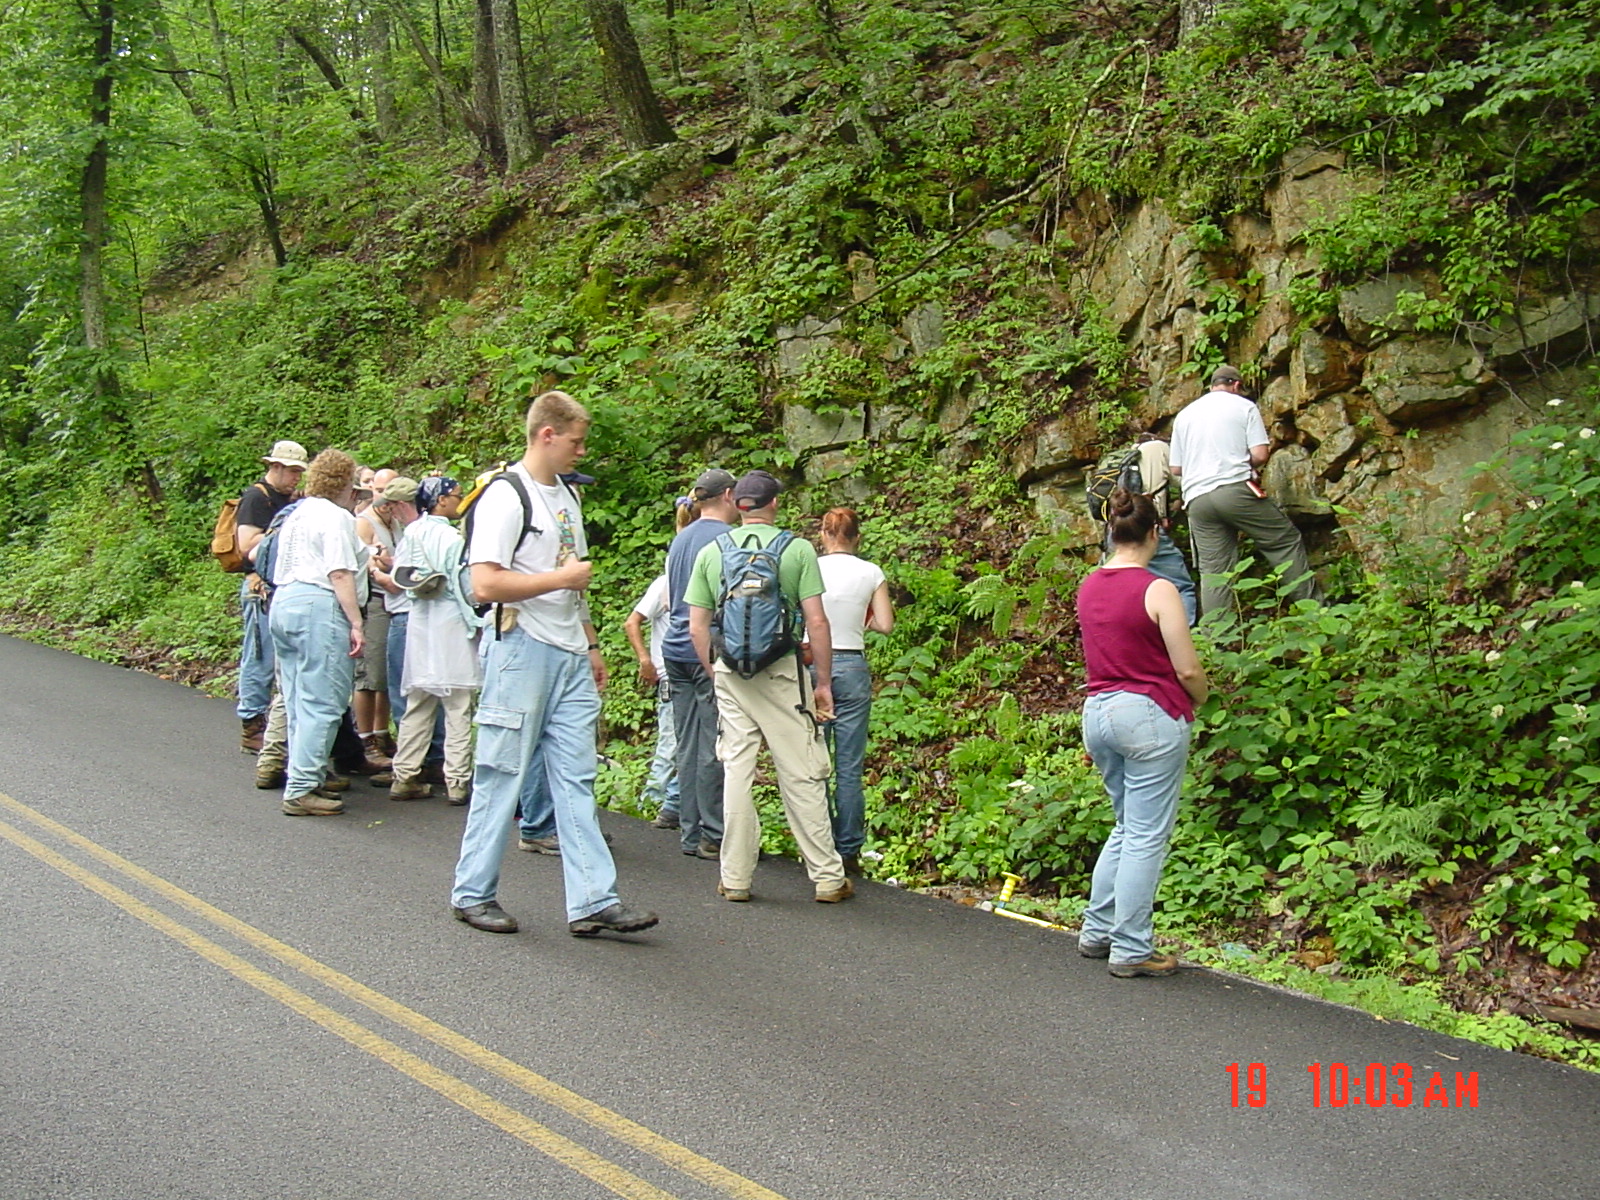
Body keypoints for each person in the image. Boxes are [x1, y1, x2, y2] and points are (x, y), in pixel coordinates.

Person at [448, 391, 658, 938]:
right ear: (546, 434)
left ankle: (593, 899)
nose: (581, 451)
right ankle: (473, 893)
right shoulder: (505, 495)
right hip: (520, 651)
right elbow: (486, 582)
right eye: (576, 441)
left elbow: (573, 578)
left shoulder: (566, 496)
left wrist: (590, 643)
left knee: (576, 777)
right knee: (501, 772)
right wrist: (559, 581)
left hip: (567, 652)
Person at [687, 470, 851, 904]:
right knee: (800, 771)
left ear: (737, 504)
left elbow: (697, 626)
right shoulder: (795, 550)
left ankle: (736, 878)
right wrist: (823, 684)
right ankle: (827, 878)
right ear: (774, 504)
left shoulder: (712, 551)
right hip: (781, 673)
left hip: (731, 674)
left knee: (738, 772)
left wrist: (715, 671)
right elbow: (816, 621)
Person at [1075, 488, 1209, 977]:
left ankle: (1097, 929)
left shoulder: (1089, 585)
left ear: (1111, 531)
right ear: (1156, 532)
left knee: (1127, 825)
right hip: (1148, 714)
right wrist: (1200, 699)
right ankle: (1131, 946)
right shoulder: (1159, 589)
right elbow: (1188, 668)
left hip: (1098, 711)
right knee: (1147, 834)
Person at [1169, 364, 1320, 619]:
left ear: (1212, 386)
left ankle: (1217, 644)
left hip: (1196, 501)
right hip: (1234, 489)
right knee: (1282, 541)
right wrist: (1234, 459)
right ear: (1237, 386)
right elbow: (1260, 454)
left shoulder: (1184, 416)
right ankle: (1315, 611)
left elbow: (1176, 467)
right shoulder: (1243, 406)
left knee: (1214, 572)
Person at [266, 448, 366, 816]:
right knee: (323, 700)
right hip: (317, 607)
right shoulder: (335, 516)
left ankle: (304, 772)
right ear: (345, 483)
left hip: (284, 603)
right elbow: (339, 572)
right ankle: (302, 786)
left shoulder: (296, 513)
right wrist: (355, 621)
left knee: (295, 696)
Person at [662, 469, 740, 860]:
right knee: (713, 741)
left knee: (687, 741)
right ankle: (713, 832)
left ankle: (690, 830)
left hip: (673, 648)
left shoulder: (681, 539)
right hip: (705, 645)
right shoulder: (725, 540)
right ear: (728, 495)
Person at [389, 476, 480, 806]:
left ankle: (405, 774)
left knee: (419, 701)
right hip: (450, 624)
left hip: (420, 621)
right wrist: (476, 620)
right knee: (458, 705)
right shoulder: (452, 539)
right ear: (440, 500)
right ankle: (457, 781)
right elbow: (464, 586)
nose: (459, 501)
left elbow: (401, 576)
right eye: (455, 496)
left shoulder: (412, 532)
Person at [812, 508, 894, 876]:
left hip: (811, 663)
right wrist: (861, 616)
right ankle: (848, 850)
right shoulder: (870, 572)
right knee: (849, 766)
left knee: (811, 762)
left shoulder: (809, 567)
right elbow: (886, 625)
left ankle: (815, 845)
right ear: (857, 537)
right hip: (852, 665)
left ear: (823, 535)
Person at [234, 439, 307, 753]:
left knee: (279, 657)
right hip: (260, 587)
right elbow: (247, 546)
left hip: (282, 586)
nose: (295, 477)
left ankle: (275, 724)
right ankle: (252, 724)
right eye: (291, 471)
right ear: (274, 467)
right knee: (260, 655)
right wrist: (286, 528)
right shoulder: (256, 497)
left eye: (298, 472)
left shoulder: (288, 498)